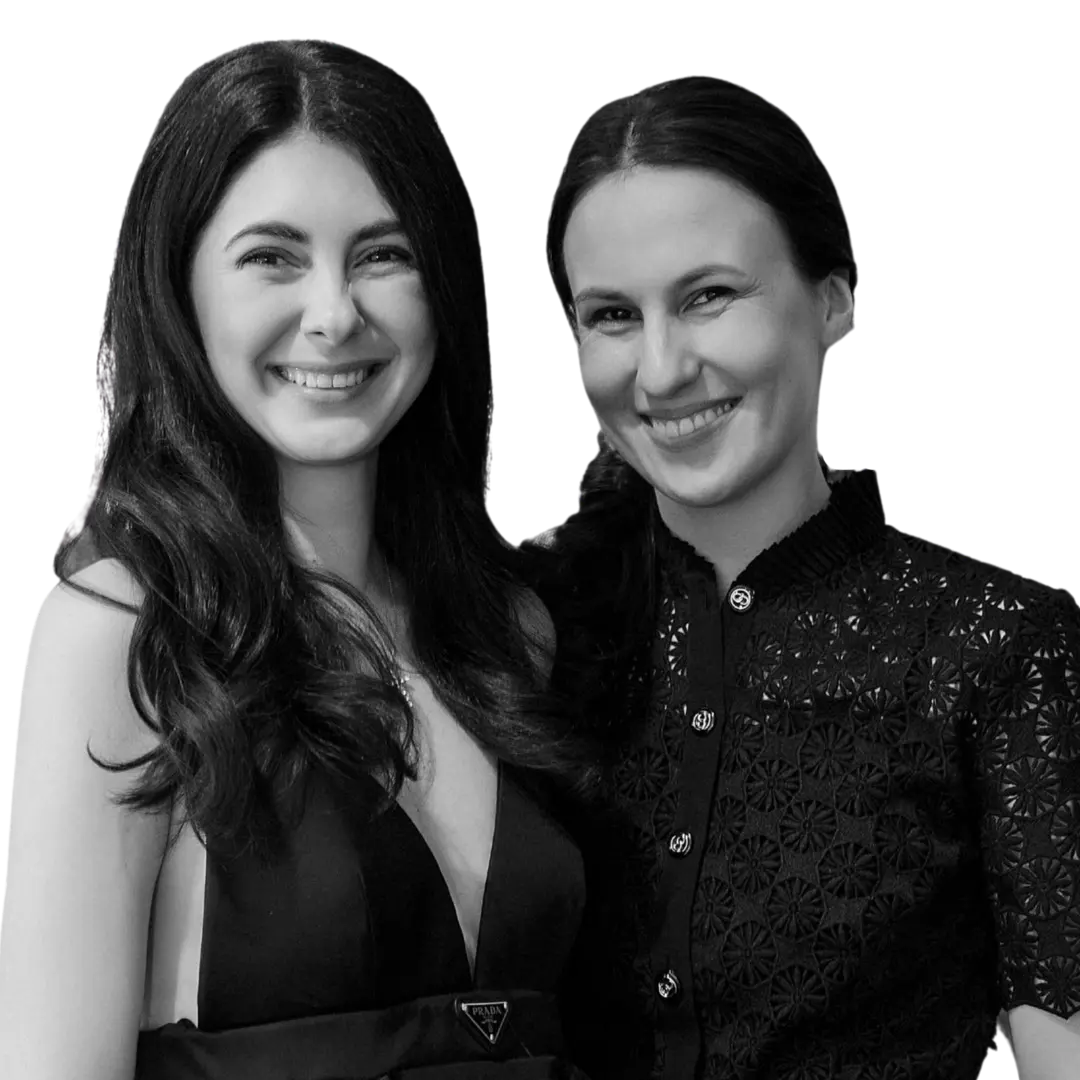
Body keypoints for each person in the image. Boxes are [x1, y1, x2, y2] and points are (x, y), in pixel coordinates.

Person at [2, 40, 598, 1079]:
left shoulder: (512, 628)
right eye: (272, 257)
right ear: (179, 285)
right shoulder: (119, 640)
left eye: (383, 255)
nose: (334, 314)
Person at [522, 75, 1079, 1079]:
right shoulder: (526, 629)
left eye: (708, 296)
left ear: (833, 304)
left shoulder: (995, 643)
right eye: (611, 314)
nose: (660, 370)